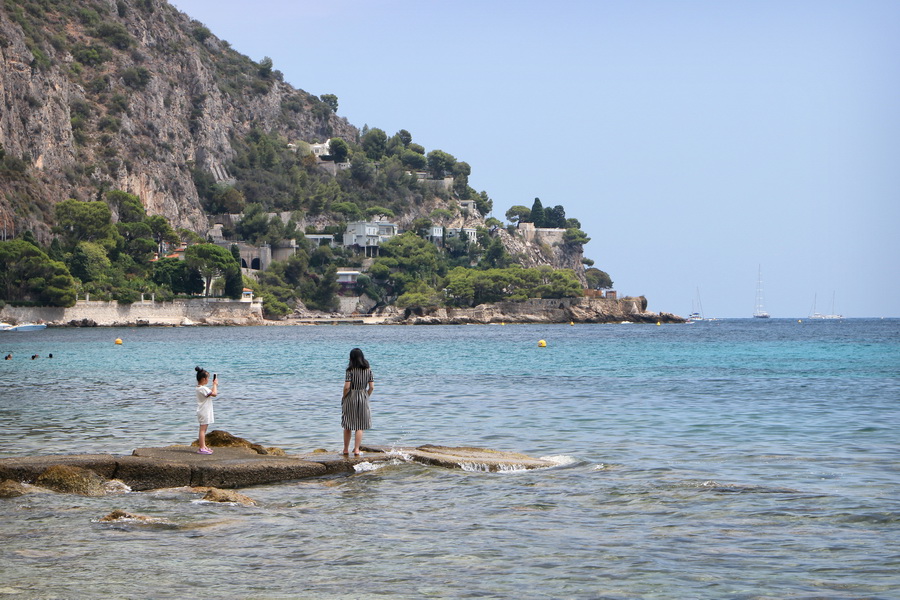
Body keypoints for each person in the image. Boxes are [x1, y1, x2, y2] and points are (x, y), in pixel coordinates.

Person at [342, 348, 374, 456]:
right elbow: (372, 387)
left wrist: (344, 397)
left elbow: (347, 387)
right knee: (359, 426)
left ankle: (346, 449)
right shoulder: (368, 370)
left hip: (351, 396)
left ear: (351, 358)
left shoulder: (350, 370)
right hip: (363, 396)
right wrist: (366, 395)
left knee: (347, 424)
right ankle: (356, 449)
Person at [194, 366, 218, 454]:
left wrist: (213, 386)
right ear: (204, 379)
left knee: (203, 429)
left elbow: (211, 392)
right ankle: (201, 447)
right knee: (203, 430)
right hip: (204, 411)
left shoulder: (200, 388)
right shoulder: (202, 388)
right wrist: (215, 385)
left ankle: (203, 446)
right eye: (207, 378)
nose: (208, 379)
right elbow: (214, 394)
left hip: (203, 410)